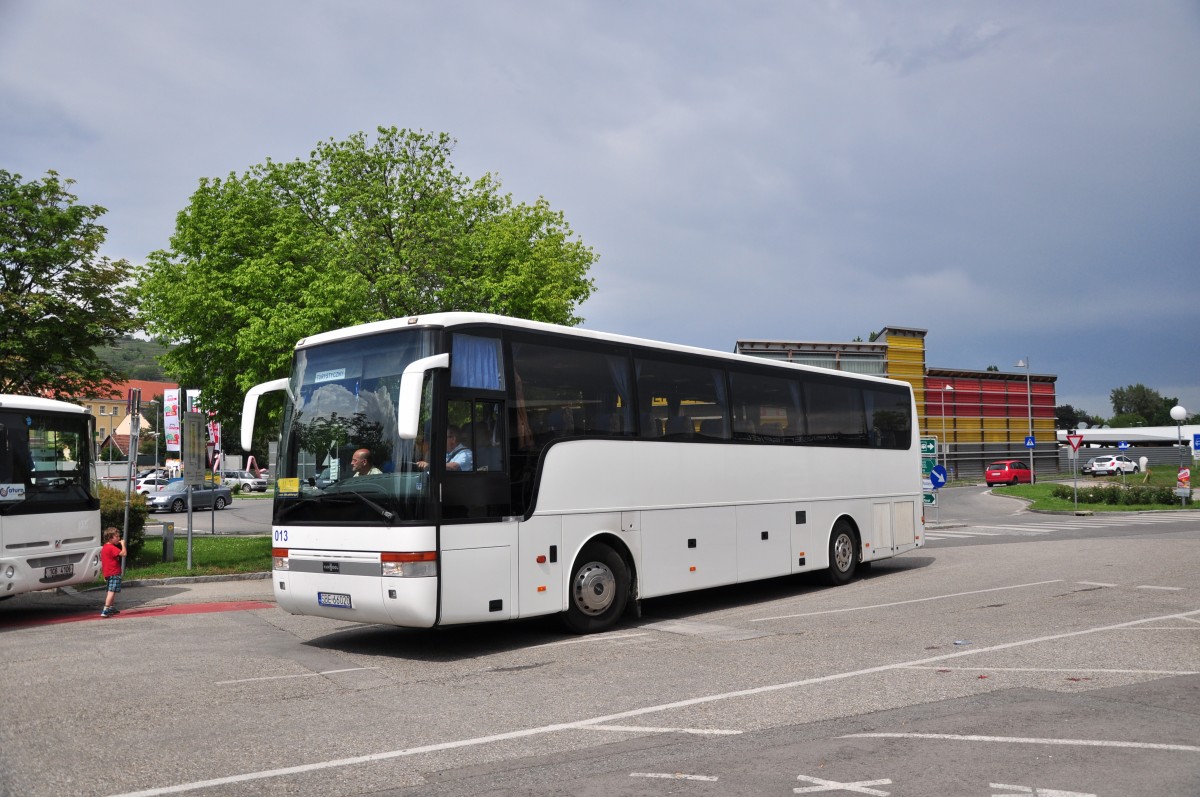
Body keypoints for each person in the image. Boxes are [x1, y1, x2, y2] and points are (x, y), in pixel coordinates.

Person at [100, 527, 126, 618]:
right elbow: (123, 554)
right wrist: (123, 544)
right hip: (114, 572)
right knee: (111, 591)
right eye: (117, 536)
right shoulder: (111, 547)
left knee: (112, 590)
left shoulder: (105, 547)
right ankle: (106, 609)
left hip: (108, 572)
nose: (119, 538)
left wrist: (104, 573)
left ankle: (111, 607)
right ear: (110, 538)